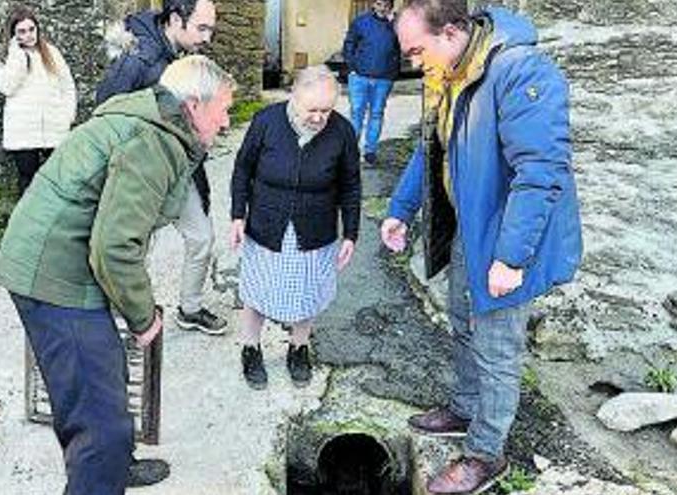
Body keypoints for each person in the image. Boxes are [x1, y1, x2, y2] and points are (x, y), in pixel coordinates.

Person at [0, 55, 235, 495]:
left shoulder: (153, 123)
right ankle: (104, 471)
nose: (225, 122)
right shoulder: (152, 142)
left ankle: (118, 466)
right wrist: (144, 318)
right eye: (223, 110)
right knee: (99, 426)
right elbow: (113, 248)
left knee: (105, 376)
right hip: (55, 278)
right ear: (195, 105)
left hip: (60, 263)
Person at [382, 1, 582, 493]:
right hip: (469, 230)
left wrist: (511, 258)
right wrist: (400, 209)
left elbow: (540, 172)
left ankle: (486, 455)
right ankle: (465, 408)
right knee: (460, 321)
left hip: (505, 236)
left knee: (497, 349)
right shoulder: (450, 71)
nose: (413, 62)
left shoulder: (519, 70)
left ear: (450, 32)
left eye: (416, 50)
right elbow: (430, 147)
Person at [95, 0, 227, 336]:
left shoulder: (181, 55)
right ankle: (128, 314)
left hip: (181, 170)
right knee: (137, 246)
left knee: (201, 237)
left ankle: (191, 308)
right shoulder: (136, 59)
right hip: (140, 174)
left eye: (211, 29)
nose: (208, 38)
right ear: (174, 19)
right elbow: (105, 116)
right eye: (202, 28)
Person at [230, 66, 361, 390]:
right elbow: (243, 168)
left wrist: (352, 233)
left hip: (315, 227)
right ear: (293, 97)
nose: (319, 117)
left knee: (308, 292)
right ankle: (250, 347)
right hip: (266, 221)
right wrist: (237, 215)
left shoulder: (342, 131)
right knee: (257, 289)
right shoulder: (267, 121)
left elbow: (351, 184)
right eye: (311, 110)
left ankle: (299, 348)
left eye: (326, 110)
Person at [0, 4, 76, 196]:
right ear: (13, 34)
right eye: (21, 31)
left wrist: (67, 116)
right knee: (27, 182)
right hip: (23, 132)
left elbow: (68, 86)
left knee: (58, 179)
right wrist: (18, 57)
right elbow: (6, 87)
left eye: (32, 29)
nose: (28, 35)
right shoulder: (5, 56)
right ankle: (28, 224)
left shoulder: (52, 52)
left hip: (55, 127)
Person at [342, 0, 400, 165]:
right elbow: (349, 44)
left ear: (391, 6)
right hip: (359, 77)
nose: (382, 8)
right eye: (379, 4)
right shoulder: (360, 22)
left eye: (386, 5)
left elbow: (403, 45)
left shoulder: (396, 25)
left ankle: (370, 151)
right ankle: (351, 151)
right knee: (356, 114)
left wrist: (394, 25)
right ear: (373, 4)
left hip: (384, 78)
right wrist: (353, 67)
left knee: (376, 114)